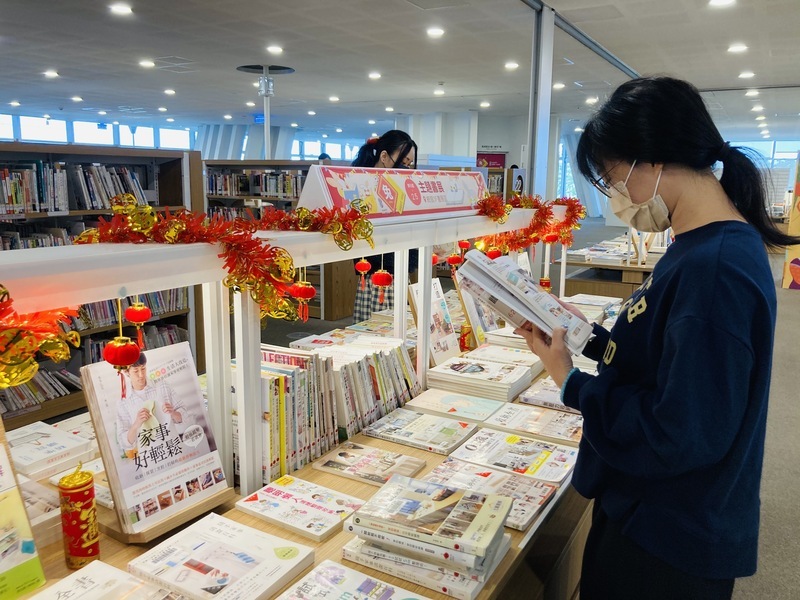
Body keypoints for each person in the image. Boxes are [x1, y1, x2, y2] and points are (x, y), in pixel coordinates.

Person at [513, 76, 800, 600]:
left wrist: (571, 381)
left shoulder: (716, 269)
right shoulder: (701, 245)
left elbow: (680, 433)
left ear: (650, 160)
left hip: (670, 537)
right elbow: (665, 356)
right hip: (654, 514)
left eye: (610, 176)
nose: (614, 195)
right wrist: (588, 338)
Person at [350, 130, 419, 322]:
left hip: (397, 268)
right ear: (383, 156)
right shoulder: (362, 185)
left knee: (395, 325)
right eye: (403, 162)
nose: (406, 168)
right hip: (377, 271)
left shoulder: (398, 185)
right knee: (377, 325)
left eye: (409, 164)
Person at [116, 352, 186, 457]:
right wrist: (136, 424)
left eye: (143, 369)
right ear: (127, 372)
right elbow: (124, 442)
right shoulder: (123, 402)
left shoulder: (162, 386)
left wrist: (173, 413)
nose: (141, 375)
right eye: (136, 371)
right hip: (150, 458)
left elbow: (185, 416)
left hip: (173, 449)